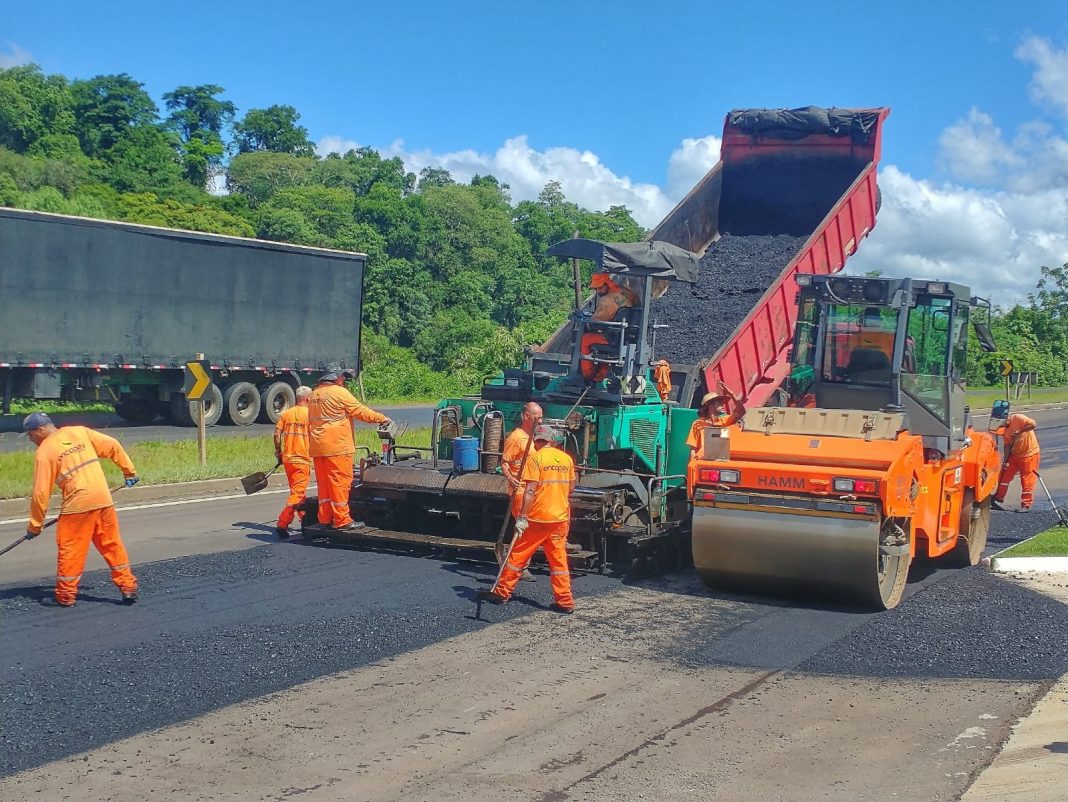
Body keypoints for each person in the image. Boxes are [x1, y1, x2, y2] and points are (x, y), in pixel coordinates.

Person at [22, 412, 140, 608]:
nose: (30, 439)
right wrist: (129, 472)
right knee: (112, 546)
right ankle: (128, 587)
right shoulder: (79, 432)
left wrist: (35, 526)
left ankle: (65, 596)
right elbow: (113, 445)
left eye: (30, 434)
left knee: (71, 550)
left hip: (77, 506)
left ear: (40, 430)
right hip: (103, 500)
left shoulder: (45, 451)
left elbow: (40, 493)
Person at [479, 424, 577, 614]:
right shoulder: (566, 459)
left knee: (517, 556)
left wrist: (522, 517)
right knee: (559, 562)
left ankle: (501, 592)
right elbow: (571, 488)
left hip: (538, 518)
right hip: (560, 518)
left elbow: (530, 491)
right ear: (551, 440)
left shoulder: (535, 458)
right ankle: (565, 602)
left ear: (535, 441)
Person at [308, 363, 393, 530]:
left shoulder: (314, 394)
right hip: (337, 446)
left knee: (324, 485)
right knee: (340, 483)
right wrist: (382, 418)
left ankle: (325, 518)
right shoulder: (340, 393)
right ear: (335, 377)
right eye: (342, 377)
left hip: (318, 447)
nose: (343, 380)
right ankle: (342, 520)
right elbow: (360, 411)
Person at [274, 385, 312, 538]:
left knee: (297, 492)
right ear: (308, 399)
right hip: (302, 460)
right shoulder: (311, 415)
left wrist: (279, 452)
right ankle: (282, 524)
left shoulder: (287, 414)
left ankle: (305, 520)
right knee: (297, 494)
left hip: (288, 459)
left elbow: (277, 434)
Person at [993, 412, 1040, 513]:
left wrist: (1020, 431)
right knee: (1004, 475)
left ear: (1006, 418)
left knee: (1027, 479)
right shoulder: (1004, 429)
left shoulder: (1018, 418)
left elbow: (1033, 424)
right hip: (1015, 454)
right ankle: (998, 497)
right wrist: (1005, 461)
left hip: (1029, 453)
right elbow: (1007, 445)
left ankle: (1026, 504)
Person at [686, 381, 746, 458]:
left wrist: (731, 394)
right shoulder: (698, 424)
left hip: (719, 462)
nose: (722, 405)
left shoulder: (724, 421)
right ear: (710, 406)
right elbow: (693, 450)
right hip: (702, 461)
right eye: (719, 403)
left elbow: (741, 411)